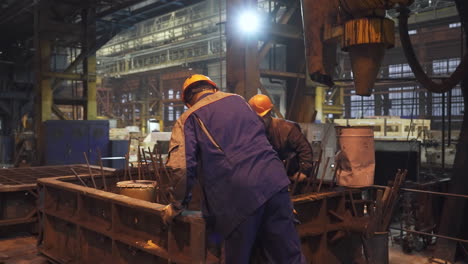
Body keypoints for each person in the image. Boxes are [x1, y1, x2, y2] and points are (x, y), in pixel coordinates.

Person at [162, 74, 305, 264]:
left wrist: (176, 205)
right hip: (276, 182)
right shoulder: (240, 101)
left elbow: (181, 168)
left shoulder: (189, 117)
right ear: (214, 89)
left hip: (238, 195)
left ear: (188, 101)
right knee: (288, 257)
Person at [248, 94, 313, 185]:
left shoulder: (287, 128)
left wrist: (304, 171)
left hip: (290, 177)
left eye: (261, 118)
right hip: (266, 178)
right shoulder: (251, 132)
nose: (259, 122)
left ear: (269, 113)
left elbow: (304, 149)